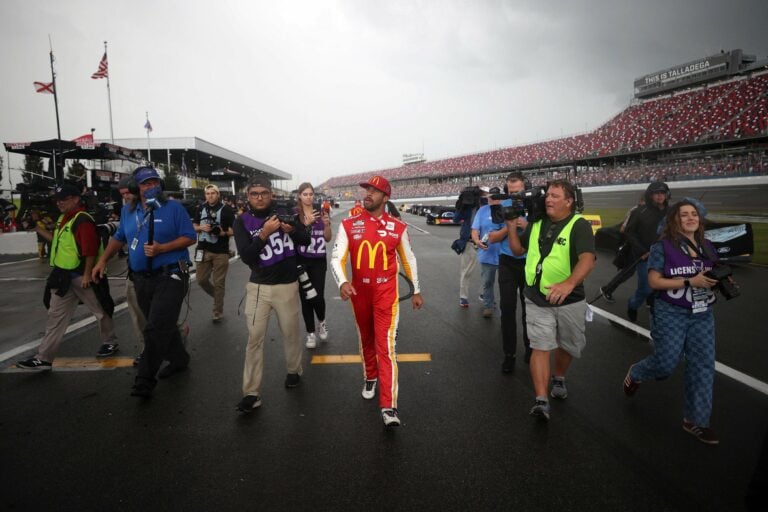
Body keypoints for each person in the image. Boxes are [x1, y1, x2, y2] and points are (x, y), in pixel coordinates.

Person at [623, 200, 722, 445]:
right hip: (671, 312)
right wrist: (690, 282)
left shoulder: (708, 247)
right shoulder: (663, 247)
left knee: (702, 366)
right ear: (674, 220)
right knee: (666, 364)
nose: (690, 218)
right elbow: (655, 282)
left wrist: (722, 284)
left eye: (694, 214)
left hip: (702, 314)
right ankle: (636, 372)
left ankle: (696, 421)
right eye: (684, 215)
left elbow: (713, 276)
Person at [92, 167, 196, 398]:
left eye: (154, 182)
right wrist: (101, 261)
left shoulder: (173, 208)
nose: (151, 187)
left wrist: (163, 248)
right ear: (135, 188)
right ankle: (180, 359)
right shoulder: (129, 211)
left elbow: (190, 236)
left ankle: (145, 379)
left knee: (155, 327)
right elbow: (119, 238)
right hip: (141, 279)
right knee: (161, 325)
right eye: (145, 184)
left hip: (171, 276)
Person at [330, 175, 423, 427]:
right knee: (366, 338)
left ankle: (388, 406)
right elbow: (336, 257)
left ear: (385, 196)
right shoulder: (349, 224)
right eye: (366, 189)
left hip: (386, 295)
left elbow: (409, 259)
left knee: (386, 346)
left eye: (374, 190)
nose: (368, 193)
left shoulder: (398, 227)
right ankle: (370, 376)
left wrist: (416, 290)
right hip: (359, 294)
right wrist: (342, 281)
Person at [506, 179, 596, 421]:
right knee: (540, 346)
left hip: (570, 299)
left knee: (568, 345)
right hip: (536, 297)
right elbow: (517, 250)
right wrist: (511, 226)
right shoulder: (536, 223)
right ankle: (541, 400)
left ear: (569, 202)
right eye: (548, 196)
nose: (549, 199)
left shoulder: (579, 225)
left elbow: (588, 259)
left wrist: (568, 284)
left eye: (556, 196)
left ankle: (559, 376)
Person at [16, 184, 118, 370]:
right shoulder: (64, 219)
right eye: (58, 200)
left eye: (63, 199)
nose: (59, 203)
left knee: (101, 310)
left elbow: (90, 250)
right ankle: (44, 358)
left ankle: (109, 341)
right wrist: (36, 228)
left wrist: (87, 274)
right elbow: (56, 241)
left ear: (76, 199)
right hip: (63, 277)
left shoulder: (82, 220)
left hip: (82, 276)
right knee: (55, 316)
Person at [233, 177, 310, 413]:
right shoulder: (242, 221)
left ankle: (294, 369)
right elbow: (246, 256)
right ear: (248, 196)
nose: (259, 197)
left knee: (290, 333)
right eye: (254, 193)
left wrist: (293, 230)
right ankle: (251, 393)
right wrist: (264, 234)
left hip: (286, 285)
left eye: (264, 193)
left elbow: (305, 240)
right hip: (258, 288)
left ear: (271, 195)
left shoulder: (285, 212)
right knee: (254, 339)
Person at [495, 172, 531, 371]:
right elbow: (492, 237)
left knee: (530, 310)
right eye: (511, 191)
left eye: (518, 191)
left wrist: (526, 225)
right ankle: (509, 354)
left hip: (529, 262)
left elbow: (542, 231)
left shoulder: (534, 203)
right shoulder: (501, 204)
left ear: (526, 186)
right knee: (507, 309)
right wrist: (509, 226)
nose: (514, 195)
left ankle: (531, 349)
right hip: (507, 261)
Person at [624, 181, 669, 322]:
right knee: (646, 289)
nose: (660, 196)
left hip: (667, 256)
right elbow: (629, 233)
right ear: (650, 195)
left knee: (665, 288)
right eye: (656, 193)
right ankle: (633, 305)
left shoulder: (672, 212)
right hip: (645, 257)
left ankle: (658, 313)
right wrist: (642, 251)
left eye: (662, 193)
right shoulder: (639, 212)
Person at [295, 182, 332, 348]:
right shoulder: (295, 215)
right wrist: (306, 223)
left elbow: (328, 238)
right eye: (305, 194)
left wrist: (327, 225)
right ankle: (310, 333)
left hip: (318, 259)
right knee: (305, 298)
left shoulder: (321, 212)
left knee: (317, 296)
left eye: (311, 194)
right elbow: (295, 237)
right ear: (299, 196)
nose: (309, 197)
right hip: (302, 259)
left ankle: (322, 321)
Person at [193, 184, 236, 323]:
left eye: (213, 193)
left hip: (221, 251)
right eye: (207, 193)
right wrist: (200, 227)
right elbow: (194, 226)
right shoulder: (200, 208)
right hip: (202, 249)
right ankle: (218, 297)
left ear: (218, 195)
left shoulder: (228, 210)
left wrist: (221, 232)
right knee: (201, 280)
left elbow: (234, 230)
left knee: (219, 283)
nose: (210, 196)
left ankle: (217, 311)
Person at [471, 186, 503, 318]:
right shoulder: (482, 211)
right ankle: (488, 306)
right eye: (490, 198)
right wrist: (477, 240)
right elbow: (474, 229)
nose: (491, 200)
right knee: (487, 283)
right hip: (487, 254)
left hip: (504, 254)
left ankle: (505, 309)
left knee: (505, 285)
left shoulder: (507, 210)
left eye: (495, 198)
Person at [453, 187, 480, 308]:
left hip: (486, 241)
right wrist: (461, 206)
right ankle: (463, 297)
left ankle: (485, 294)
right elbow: (456, 219)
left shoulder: (484, 205)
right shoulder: (466, 207)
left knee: (488, 272)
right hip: (468, 242)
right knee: (466, 271)